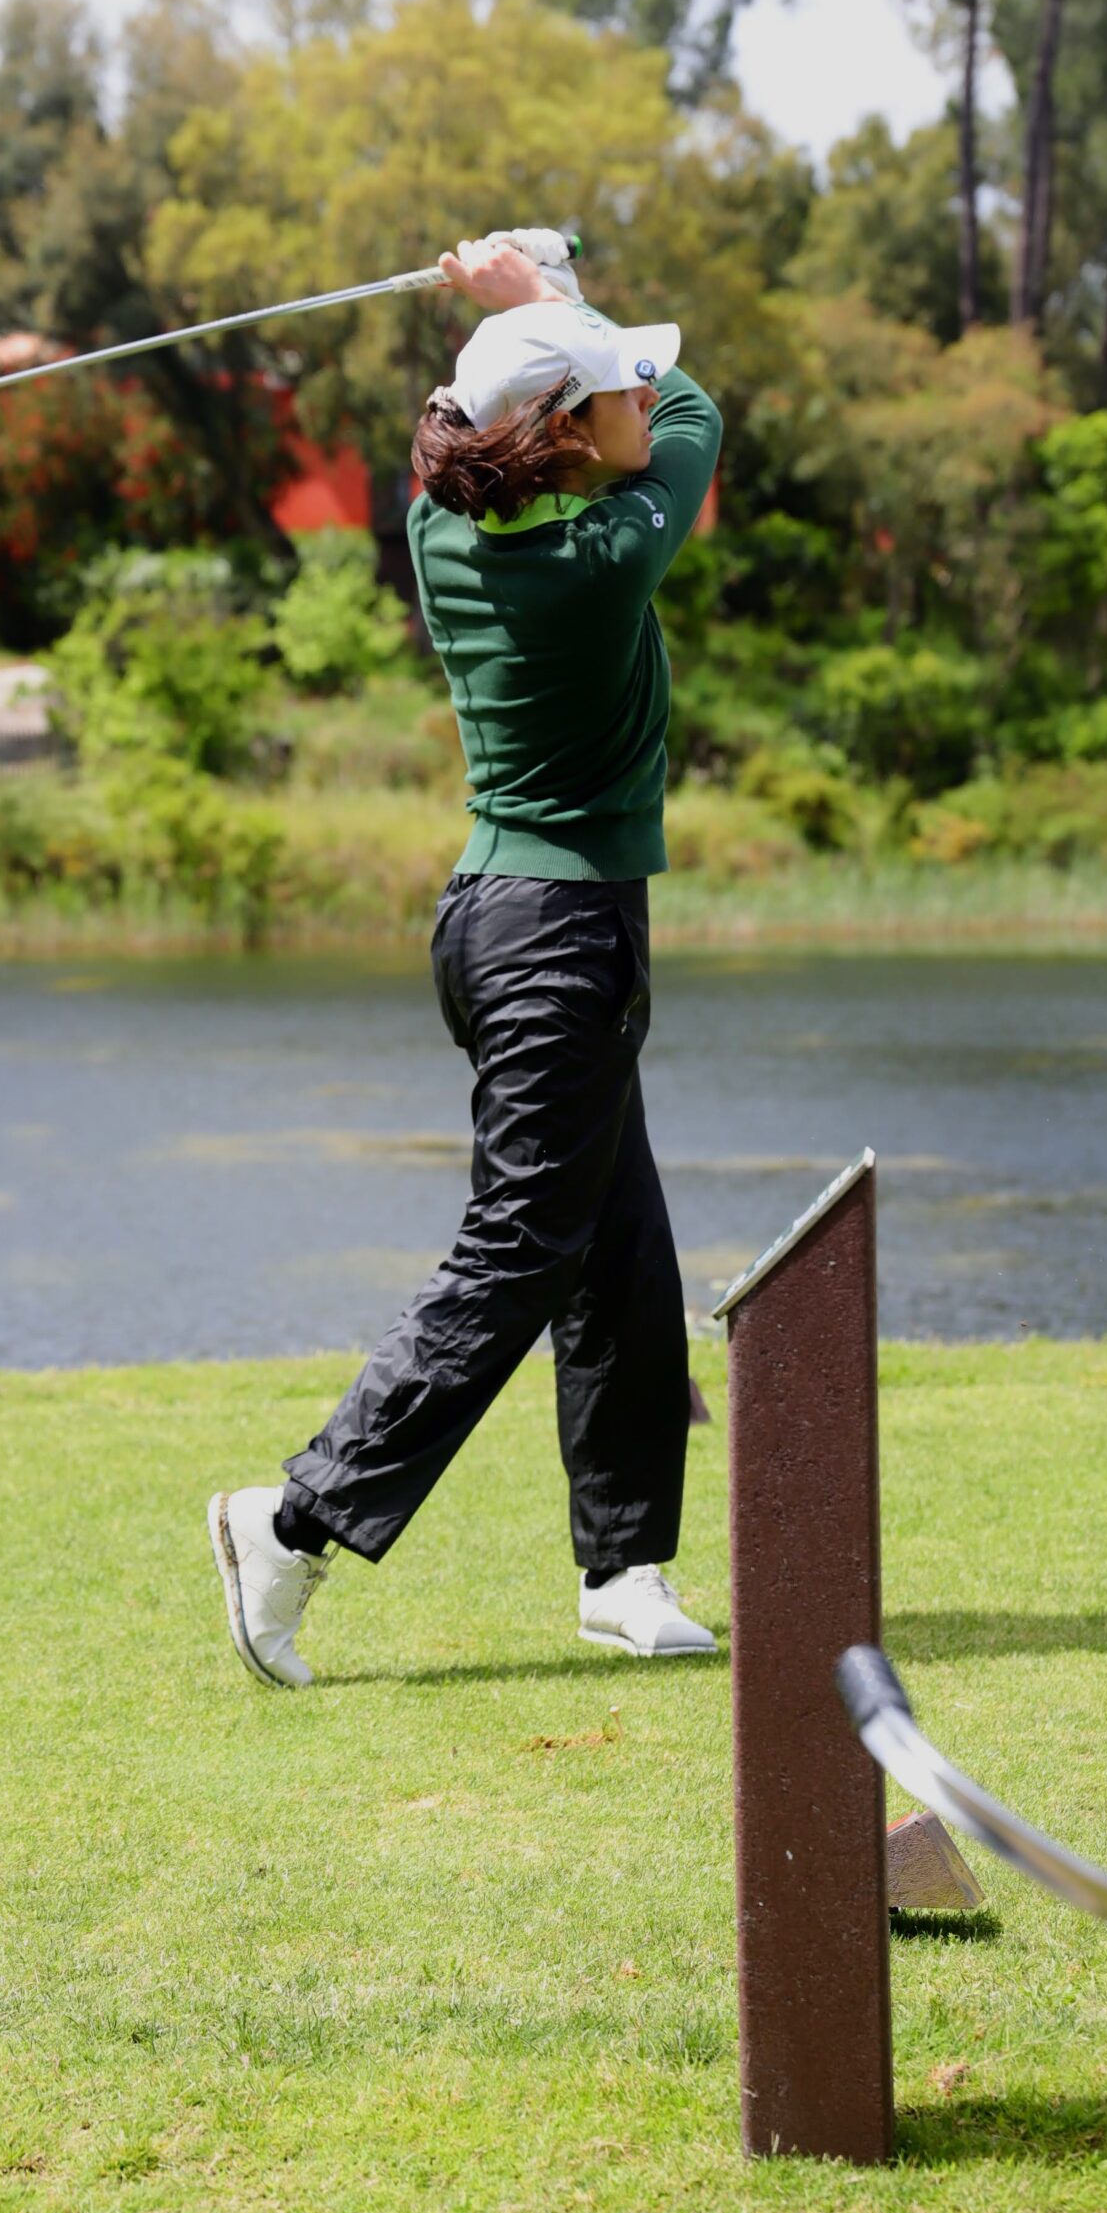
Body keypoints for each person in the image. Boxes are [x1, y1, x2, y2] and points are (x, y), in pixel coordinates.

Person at [210, 229, 723, 1685]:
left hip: (509, 920)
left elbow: (481, 420)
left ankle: (623, 1569)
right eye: (616, 387)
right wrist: (543, 293)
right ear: (561, 432)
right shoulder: (598, 563)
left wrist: (523, 319)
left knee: (619, 1252)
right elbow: (695, 417)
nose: (645, 395)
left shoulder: (444, 527)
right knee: (519, 1252)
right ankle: (290, 1523)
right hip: (558, 941)